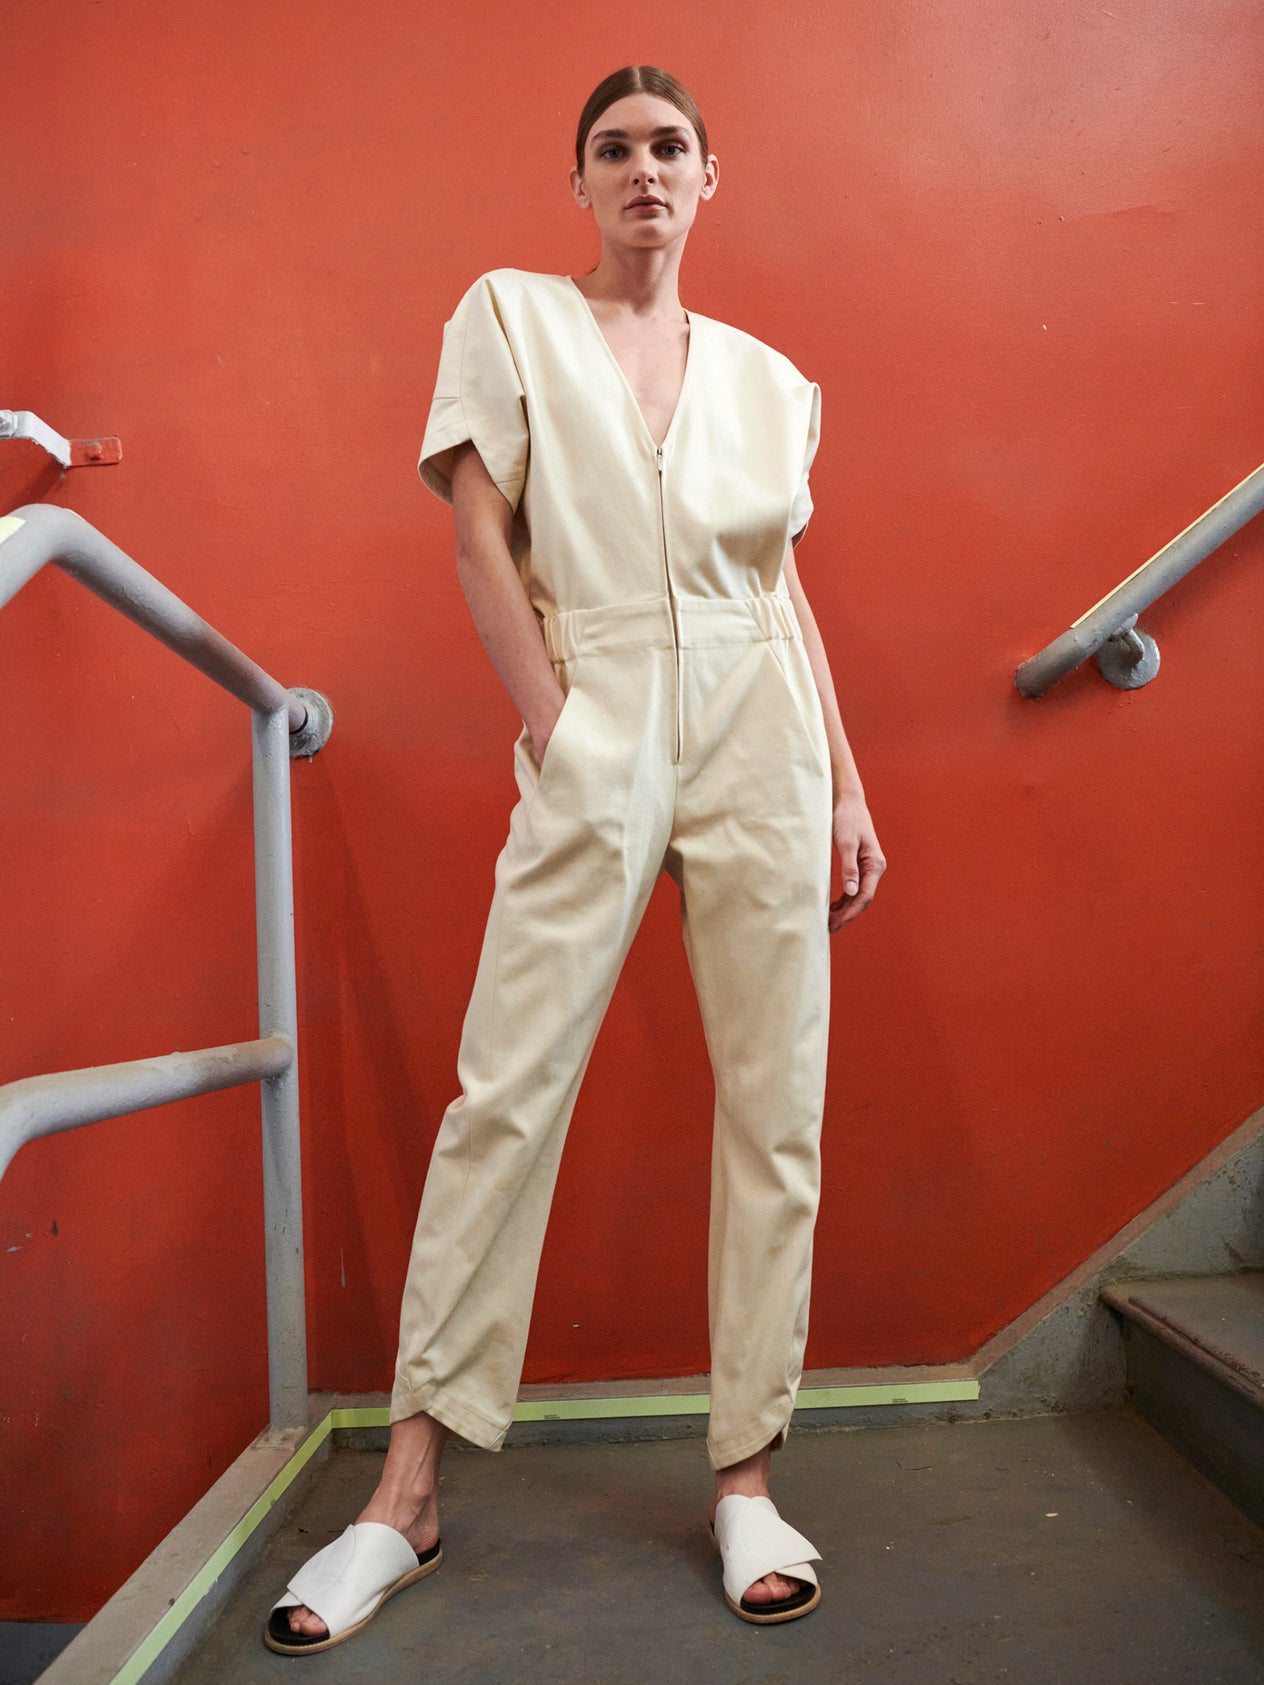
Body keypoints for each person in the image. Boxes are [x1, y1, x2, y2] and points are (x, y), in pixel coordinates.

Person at [265, 63, 885, 1655]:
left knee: (779, 1105)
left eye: (670, 147)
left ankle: (747, 1472)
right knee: (507, 1091)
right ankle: (403, 1495)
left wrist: (846, 784)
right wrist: (555, 723)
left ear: (709, 175)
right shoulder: (513, 318)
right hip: (598, 706)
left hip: (765, 722)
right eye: (614, 150)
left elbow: (783, 588)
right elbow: (480, 527)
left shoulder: (769, 377)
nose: (645, 172)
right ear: (582, 184)